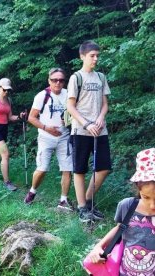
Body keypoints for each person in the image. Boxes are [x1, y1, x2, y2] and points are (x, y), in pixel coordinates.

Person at [86, 148, 155, 275]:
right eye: (146, 197)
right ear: (137, 188)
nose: (152, 205)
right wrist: (98, 246)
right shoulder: (127, 206)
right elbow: (119, 228)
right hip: (125, 271)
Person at [66, 40, 111, 222]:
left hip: (100, 129)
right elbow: (70, 106)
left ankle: (89, 200)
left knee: (104, 167)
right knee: (80, 169)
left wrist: (100, 118)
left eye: (97, 56)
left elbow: (105, 104)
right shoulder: (76, 77)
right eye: (92, 56)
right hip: (81, 130)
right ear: (82, 56)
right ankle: (82, 207)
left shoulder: (101, 77)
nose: (95, 59)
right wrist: (86, 123)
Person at [23, 68, 73, 210]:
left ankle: (63, 201)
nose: (58, 83)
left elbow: (73, 113)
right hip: (46, 137)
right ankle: (32, 192)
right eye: (54, 80)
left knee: (67, 169)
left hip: (64, 137)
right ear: (49, 81)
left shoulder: (69, 95)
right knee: (42, 168)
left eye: (61, 80)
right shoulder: (42, 96)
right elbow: (31, 117)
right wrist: (46, 128)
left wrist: (68, 121)